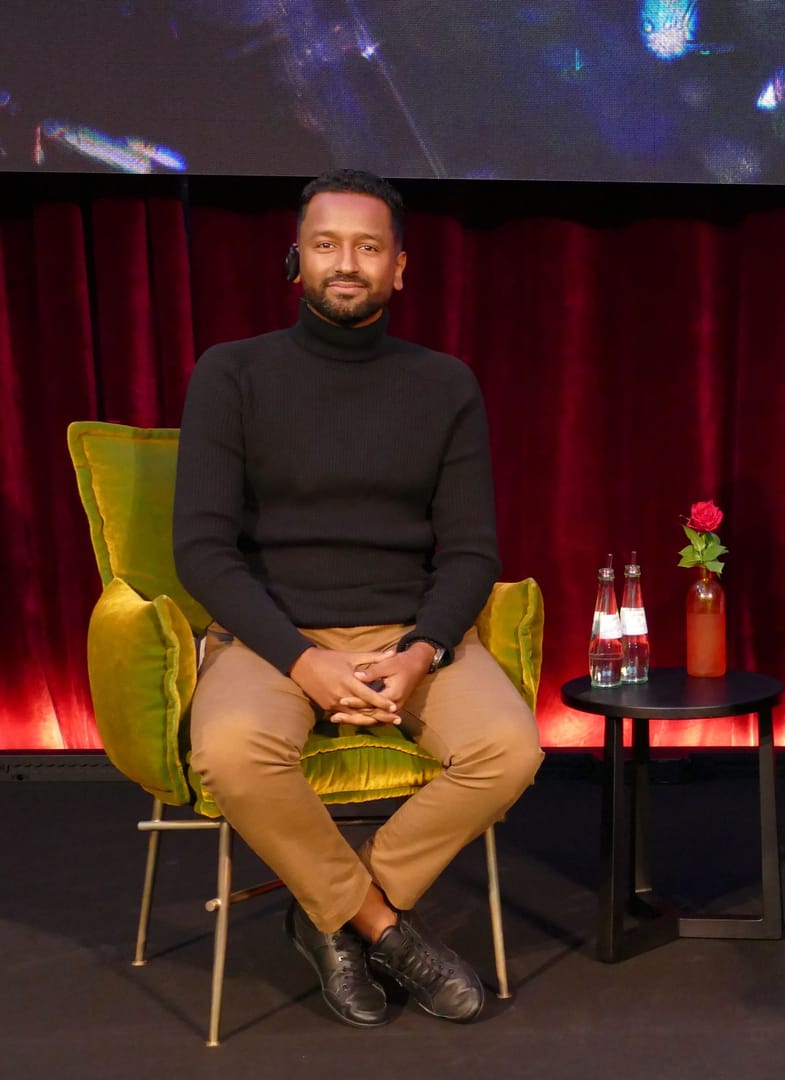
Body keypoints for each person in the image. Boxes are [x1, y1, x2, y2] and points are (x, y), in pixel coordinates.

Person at [173, 169, 543, 1029]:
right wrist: (301, 659)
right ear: (295, 258)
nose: (348, 263)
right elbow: (200, 548)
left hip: (404, 630)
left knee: (509, 750)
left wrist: (421, 652)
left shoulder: (445, 383)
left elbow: (473, 551)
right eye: (329, 244)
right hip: (269, 634)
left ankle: (324, 911)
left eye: (369, 247)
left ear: (400, 268)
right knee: (230, 752)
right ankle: (377, 925)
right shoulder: (231, 373)